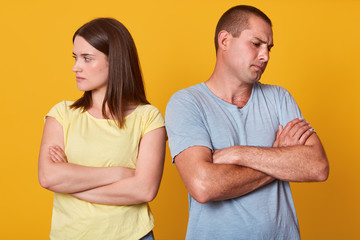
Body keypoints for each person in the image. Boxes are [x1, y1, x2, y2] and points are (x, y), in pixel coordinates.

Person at [165, 5, 329, 240]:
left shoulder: (279, 97)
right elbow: (203, 186)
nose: (266, 56)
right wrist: (278, 156)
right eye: (256, 44)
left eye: (269, 48)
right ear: (225, 40)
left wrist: (237, 153)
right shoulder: (186, 103)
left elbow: (317, 167)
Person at [38, 18, 166, 240]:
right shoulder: (61, 114)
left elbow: (144, 190)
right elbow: (49, 177)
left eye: (87, 58)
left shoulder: (148, 117)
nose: (75, 66)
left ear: (115, 62)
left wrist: (71, 184)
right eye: (76, 57)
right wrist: (118, 174)